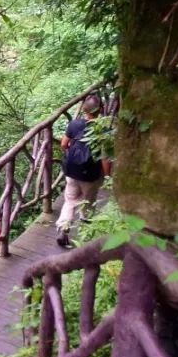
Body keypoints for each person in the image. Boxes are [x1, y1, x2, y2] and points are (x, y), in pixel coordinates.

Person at [56, 95, 110, 246]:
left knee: (70, 200)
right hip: (91, 174)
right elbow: (105, 158)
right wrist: (107, 176)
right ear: (100, 109)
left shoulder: (74, 124)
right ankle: (86, 229)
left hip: (72, 171)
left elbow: (63, 145)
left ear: (84, 109)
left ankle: (63, 228)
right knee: (89, 201)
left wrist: (72, 155)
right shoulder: (103, 130)